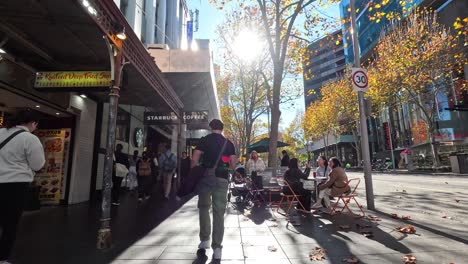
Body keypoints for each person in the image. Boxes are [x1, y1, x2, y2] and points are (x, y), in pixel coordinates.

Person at [0, 109, 45, 264]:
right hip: (15, 185)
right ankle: (3, 258)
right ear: (33, 123)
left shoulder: (0, 133)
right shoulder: (30, 139)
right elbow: (38, 164)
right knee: (9, 223)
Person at [191, 119, 236, 264]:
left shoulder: (204, 141)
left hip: (205, 179)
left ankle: (205, 240)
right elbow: (233, 164)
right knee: (219, 213)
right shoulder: (228, 144)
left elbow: (194, 158)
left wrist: (195, 171)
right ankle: (217, 248)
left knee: (204, 208)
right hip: (222, 179)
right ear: (222, 129)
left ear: (211, 128)